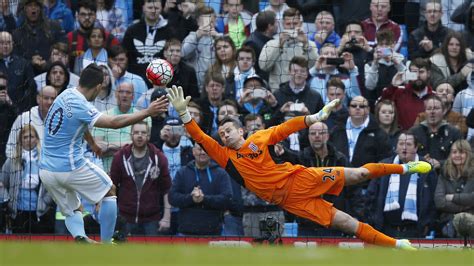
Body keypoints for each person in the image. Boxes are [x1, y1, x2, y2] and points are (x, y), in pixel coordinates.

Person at [167, 85, 432, 249]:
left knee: (360, 173)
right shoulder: (225, 156)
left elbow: (285, 128)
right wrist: (184, 114)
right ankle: (397, 245)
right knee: (349, 224)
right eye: (221, 134)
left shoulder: (258, 138)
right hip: (290, 203)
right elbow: (200, 136)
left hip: (300, 178)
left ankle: (406, 168)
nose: (223, 136)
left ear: (240, 130)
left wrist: (313, 118)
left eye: (227, 131)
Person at [39, 64, 169, 243]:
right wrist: (147, 111)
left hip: (46, 171)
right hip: (68, 166)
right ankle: (107, 245)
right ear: (99, 87)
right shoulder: (81, 105)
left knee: (73, 208)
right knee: (109, 190)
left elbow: (79, 124)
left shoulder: (65, 95)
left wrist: (92, 143)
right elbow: (114, 122)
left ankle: (81, 238)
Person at [367, 132, 438, 238]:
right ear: (396, 147)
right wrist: (373, 220)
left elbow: (433, 200)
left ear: (416, 148)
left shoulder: (427, 169)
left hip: (415, 231)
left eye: (408, 144)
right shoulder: (383, 166)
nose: (404, 148)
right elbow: (371, 195)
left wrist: (428, 224)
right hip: (385, 230)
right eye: (401, 144)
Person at [110, 121, 172, 236]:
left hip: (151, 219)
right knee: (123, 253)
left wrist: (166, 218)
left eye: (143, 133)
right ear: (131, 135)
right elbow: (112, 186)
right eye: (136, 132)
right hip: (125, 218)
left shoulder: (159, 158)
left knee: (151, 254)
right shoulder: (120, 157)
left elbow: (167, 190)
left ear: (148, 136)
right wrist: (112, 215)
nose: (139, 135)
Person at [169, 142, 233, 236]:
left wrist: (204, 199)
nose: (203, 152)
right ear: (193, 151)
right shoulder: (182, 172)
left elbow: (228, 199)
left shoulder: (221, 173)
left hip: (214, 232)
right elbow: (172, 197)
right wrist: (191, 198)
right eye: (199, 149)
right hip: (185, 232)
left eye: (206, 149)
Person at [1, 125, 55, 234]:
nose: (28, 140)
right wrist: (8, 202)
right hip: (16, 210)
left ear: (37, 139)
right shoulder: (12, 161)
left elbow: (53, 184)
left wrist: (45, 202)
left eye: (31, 136)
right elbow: (2, 183)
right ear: (20, 140)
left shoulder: (45, 161)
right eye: (25, 137)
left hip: (39, 211)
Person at [259, 7, 318, 91]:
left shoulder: (310, 44)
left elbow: (314, 66)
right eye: (288, 24)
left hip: (302, 92)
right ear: (283, 24)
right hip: (278, 92)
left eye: (295, 23)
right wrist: (279, 46)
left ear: (301, 24)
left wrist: (306, 45)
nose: (291, 27)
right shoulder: (271, 44)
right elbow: (263, 67)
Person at [122, 0, 176, 88]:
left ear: (161, 9)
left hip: (161, 82)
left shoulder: (169, 31)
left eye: (156, 8)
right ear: (143, 8)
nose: (153, 11)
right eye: (150, 7)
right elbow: (125, 54)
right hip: (136, 82)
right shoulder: (132, 30)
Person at [409, 95, 463, 172]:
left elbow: (462, 158)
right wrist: (421, 161)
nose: (432, 112)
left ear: (444, 111)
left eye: (436, 108)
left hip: (446, 176)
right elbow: (405, 156)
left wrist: (440, 164)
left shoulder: (454, 133)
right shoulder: (414, 132)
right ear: (425, 111)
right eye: (429, 109)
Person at [434, 139, 474, 238]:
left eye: (461, 152)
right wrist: (465, 206)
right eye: (454, 152)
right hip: (447, 226)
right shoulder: (444, 173)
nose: (457, 155)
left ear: (468, 154)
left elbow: (472, 198)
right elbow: (439, 202)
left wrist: (452, 197)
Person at [380, 58, 434, 130]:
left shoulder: (434, 96)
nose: (417, 75)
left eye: (421, 72)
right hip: (402, 138)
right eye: (414, 72)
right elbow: (381, 106)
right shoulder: (399, 91)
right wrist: (392, 86)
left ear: (428, 74)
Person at [242, 11, 276, 81]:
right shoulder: (251, 43)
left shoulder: (272, 41)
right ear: (270, 26)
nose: (278, 25)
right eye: (276, 22)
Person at [0, 73, 17, 166]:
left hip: (5, 154)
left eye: (3, 87)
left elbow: (20, 122)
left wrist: (10, 103)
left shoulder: (10, 106)